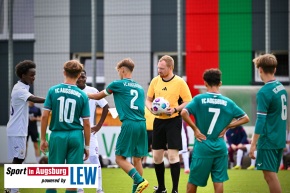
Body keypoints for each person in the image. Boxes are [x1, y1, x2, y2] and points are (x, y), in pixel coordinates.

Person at [181, 68, 250, 193]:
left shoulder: (198, 99)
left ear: (205, 83)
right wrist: (228, 126)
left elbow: (184, 112)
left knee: (192, 183)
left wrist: (195, 130)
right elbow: (246, 118)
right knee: (218, 182)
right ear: (220, 83)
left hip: (202, 147)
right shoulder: (228, 102)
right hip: (220, 147)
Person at [87, 58, 149, 193]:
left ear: (122, 70)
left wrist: (85, 94)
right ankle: (136, 190)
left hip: (129, 123)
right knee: (137, 159)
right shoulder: (139, 87)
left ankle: (139, 180)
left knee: (119, 158)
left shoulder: (117, 84)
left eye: (118, 71)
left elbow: (98, 96)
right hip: (142, 124)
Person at [40, 60, 91, 193]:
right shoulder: (83, 95)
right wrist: (87, 146)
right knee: (73, 179)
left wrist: (43, 139)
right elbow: (86, 123)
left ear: (64, 72)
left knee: (53, 178)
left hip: (57, 135)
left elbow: (45, 116)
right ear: (79, 74)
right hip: (76, 136)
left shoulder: (53, 90)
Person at [146, 55, 192, 193]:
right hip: (158, 121)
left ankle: (175, 190)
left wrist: (175, 109)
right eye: (158, 68)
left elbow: (188, 101)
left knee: (172, 156)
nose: (159, 70)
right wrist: (152, 109)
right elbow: (148, 100)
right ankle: (161, 188)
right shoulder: (155, 81)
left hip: (173, 121)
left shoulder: (180, 82)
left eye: (162, 68)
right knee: (156, 156)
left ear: (170, 68)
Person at [249, 54, 288, 193]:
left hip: (268, 139)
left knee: (270, 176)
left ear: (260, 70)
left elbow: (261, 120)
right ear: (275, 69)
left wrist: (253, 144)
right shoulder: (281, 87)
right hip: (279, 138)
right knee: (271, 175)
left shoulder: (264, 92)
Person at [5, 60, 45, 193]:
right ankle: (12, 190)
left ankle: (11, 188)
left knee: (18, 158)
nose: (34, 77)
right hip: (17, 130)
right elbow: (34, 99)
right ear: (23, 75)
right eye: (31, 75)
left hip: (18, 129)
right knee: (19, 159)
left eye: (34, 75)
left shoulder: (22, 87)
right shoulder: (20, 89)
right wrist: (52, 97)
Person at [76, 69, 109, 193]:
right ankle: (79, 188)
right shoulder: (71, 90)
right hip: (75, 131)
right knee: (78, 159)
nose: (81, 79)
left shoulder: (93, 91)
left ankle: (99, 188)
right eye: (78, 77)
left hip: (90, 131)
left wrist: (99, 125)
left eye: (83, 77)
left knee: (94, 157)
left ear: (86, 77)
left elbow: (105, 106)